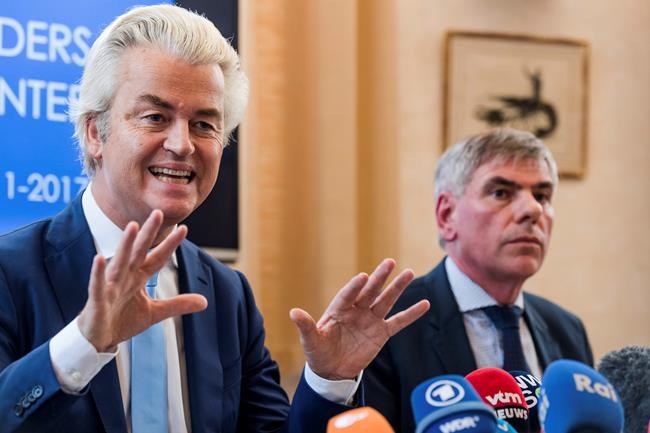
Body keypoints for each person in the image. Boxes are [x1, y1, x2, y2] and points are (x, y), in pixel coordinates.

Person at [0, 5, 429, 433]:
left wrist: (327, 381)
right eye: (155, 117)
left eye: (204, 124)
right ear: (96, 132)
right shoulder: (10, 272)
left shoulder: (227, 293)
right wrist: (84, 343)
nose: (182, 144)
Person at [364, 128, 593, 433]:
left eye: (542, 196)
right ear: (447, 216)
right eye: (501, 193)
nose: (533, 210)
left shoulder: (567, 330)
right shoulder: (388, 324)